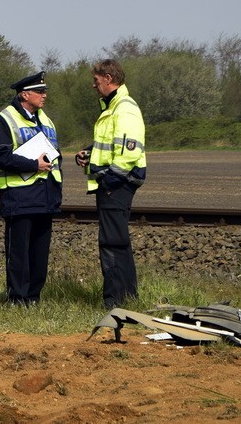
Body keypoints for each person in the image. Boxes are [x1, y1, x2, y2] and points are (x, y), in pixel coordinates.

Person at [75, 59, 146, 309]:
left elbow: (129, 151)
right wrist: (88, 153)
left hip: (116, 184)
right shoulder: (114, 106)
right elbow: (111, 144)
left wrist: (109, 181)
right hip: (115, 182)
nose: (94, 86)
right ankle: (127, 297)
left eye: (96, 81)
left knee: (112, 243)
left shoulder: (123, 108)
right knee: (119, 241)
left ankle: (115, 301)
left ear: (108, 78)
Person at [0, 71, 62, 305]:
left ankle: (34, 296)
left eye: (45, 91)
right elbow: (0, 156)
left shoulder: (45, 119)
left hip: (46, 195)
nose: (44, 95)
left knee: (40, 253)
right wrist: (33, 165)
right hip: (19, 196)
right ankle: (18, 298)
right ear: (24, 94)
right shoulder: (4, 119)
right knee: (19, 253)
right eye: (40, 91)